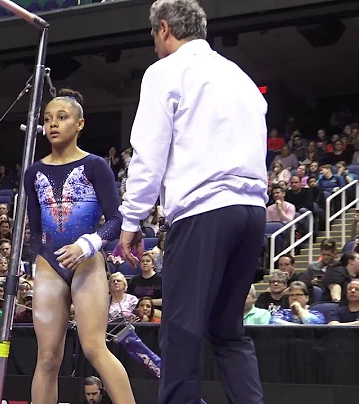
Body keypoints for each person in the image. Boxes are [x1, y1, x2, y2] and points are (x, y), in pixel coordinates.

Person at [119, 1, 268, 404]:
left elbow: (148, 154)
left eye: (152, 35)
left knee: (181, 333)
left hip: (205, 211)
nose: (153, 45)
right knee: (226, 330)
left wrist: (131, 221)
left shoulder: (165, 72)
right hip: (253, 212)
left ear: (164, 29)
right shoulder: (241, 76)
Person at [24, 88, 135, 404]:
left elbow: (116, 218)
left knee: (94, 347)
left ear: (80, 123)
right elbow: (35, 228)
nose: (53, 124)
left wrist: (89, 244)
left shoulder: (95, 165)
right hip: (49, 265)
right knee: (47, 358)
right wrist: (33, 264)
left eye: (62, 117)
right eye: (47, 119)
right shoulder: (34, 172)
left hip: (86, 262)